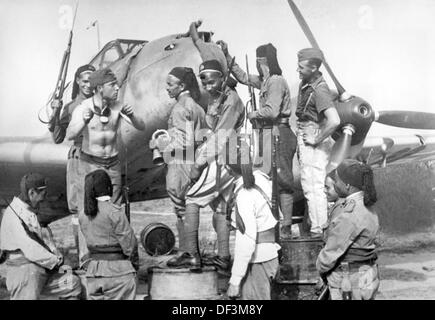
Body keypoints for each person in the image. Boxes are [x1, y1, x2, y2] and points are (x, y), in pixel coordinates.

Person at [169, 60, 245, 271]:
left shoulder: (231, 101)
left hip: (225, 157)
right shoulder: (217, 98)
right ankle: (223, 257)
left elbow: (220, 137)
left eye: (212, 82)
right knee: (220, 206)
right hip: (227, 157)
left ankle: (191, 254)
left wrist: (199, 164)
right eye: (205, 83)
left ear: (222, 78)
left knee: (192, 199)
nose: (209, 87)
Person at [218, 40, 297, 239]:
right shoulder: (266, 81)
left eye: (257, 61)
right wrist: (227, 55)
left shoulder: (276, 81)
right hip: (268, 134)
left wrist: (254, 114)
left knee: (283, 180)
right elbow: (243, 77)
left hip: (278, 132)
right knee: (268, 178)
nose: (255, 65)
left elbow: (271, 111)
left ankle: (286, 226)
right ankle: (274, 223)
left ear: (263, 61)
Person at [149, 67, 206, 260]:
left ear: (182, 86)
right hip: (192, 160)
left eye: (170, 84)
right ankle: (190, 252)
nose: (167, 88)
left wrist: (160, 143)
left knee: (182, 208)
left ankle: (188, 253)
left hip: (180, 162)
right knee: (189, 206)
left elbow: (185, 141)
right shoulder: (196, 106)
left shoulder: (181, 107)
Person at [67, 67, 145, 207]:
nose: (117, 88)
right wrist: (84, 121)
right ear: (100, 88)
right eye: (112, 85)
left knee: (115, 207)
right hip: (91, 164)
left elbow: (141, 126)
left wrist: (132, 115)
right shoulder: (83, 107)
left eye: (116, 84)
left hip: (113, 164)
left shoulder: (117, 107)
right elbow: (70, 135)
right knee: (91, 207)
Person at [0, 173, 82, 300]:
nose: (43, 200)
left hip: (42, 269)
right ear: (32, 193)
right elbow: (31, 249)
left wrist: (59, 256)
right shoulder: (14, 216)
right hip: (25, 272)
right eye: (42, 196)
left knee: (72, 284)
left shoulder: (29, 212)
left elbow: (44, 239)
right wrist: (58, 262)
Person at [48, 64, 96, 267]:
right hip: (79, 159)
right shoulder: (69, 107)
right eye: (84, 81)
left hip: (100, 158)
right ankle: (84, 257)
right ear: (77, 81)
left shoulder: (103, 102)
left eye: (91, 81)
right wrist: (55, 113)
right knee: (80, 209)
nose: (88, 85)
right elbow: (58, 137)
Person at [316, 159, 380, 300]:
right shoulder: (367, 206)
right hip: (367, 275)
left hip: (349, 281)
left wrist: (320, 269)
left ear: (347, 185)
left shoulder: (349, 213)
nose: (336, 184)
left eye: (337, 181)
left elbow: (331, 253)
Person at [295, 48, 341, 238]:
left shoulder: (319, 89)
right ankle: (317, 226)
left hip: (312, 136)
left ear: (314, 67)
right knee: (310, 184)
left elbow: (334, 120)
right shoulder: (307, 82)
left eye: (301, 67)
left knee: (313, 185)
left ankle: (318, 230)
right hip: (305, 132)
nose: (297, 70)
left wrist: (316, 138)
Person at [226, 142, 280, 300]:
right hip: (270, 256)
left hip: (257, 261)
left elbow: (247, 240)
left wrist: (235, 280)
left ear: (228, 169)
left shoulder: (244, 194)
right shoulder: (262, 180)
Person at [79, 170, 138, 300]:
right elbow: (130, 245)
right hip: (118, 271)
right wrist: (134, 264)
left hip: (94, 272)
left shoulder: (83, 214)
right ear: (108, 188)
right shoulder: (114, 211)